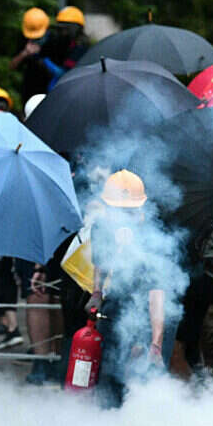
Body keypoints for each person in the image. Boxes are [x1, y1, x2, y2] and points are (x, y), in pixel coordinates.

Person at [85, 170, 171, 406]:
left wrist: (156, 342)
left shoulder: (154, 234)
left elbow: (157, 293)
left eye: (127, 210)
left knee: (142, 378)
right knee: (108, 368)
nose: (122, 215)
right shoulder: (101, 226)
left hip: (149, 310)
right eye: (117, 209)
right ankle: (105, 414)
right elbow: (100, 263)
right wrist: (96, 292)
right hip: (117, 301)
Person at [9, 7, 53, 103]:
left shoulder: (54, 40)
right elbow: (11, 66)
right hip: (28, 91)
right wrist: (24, 53)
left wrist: (42, 60)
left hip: (49, 91)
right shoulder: (24, 40)